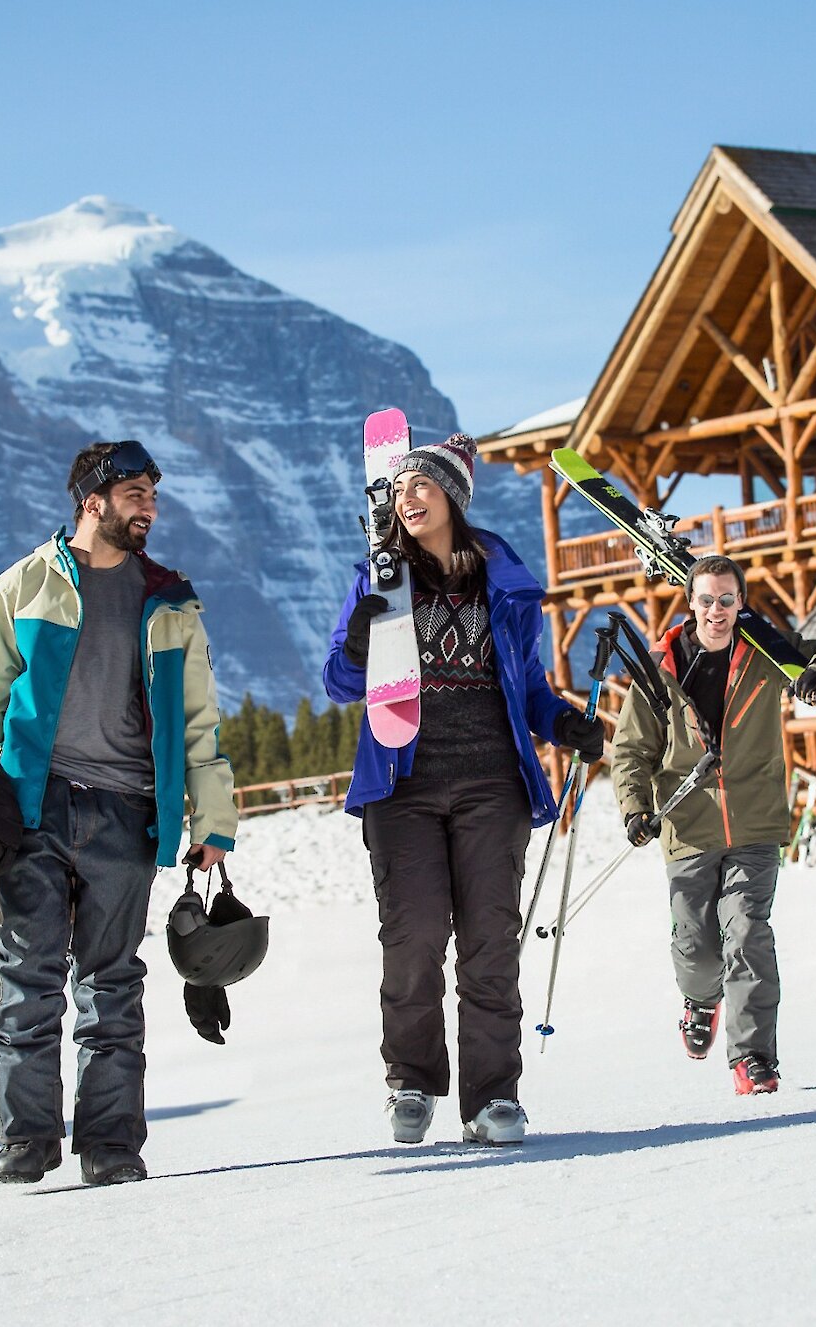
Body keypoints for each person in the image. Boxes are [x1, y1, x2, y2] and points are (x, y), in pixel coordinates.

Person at [0, 440, 238, 1186]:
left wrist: (211, 822)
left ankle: (112, 1145)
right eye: (136, 493)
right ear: (92, 500)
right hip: (33, 807)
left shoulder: (171, 597)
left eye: (153, 494)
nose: (149, 506)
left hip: (128, 810)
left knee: (112, 982)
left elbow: (200, 719)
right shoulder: (25, 585)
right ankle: (26, 1140)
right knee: (28, 976)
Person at [324, 433, 602, 1146]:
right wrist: (360, 634)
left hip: (491, 783)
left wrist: (564, 723)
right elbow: (338, 680)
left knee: (489, 943)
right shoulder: (380, 577)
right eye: (401, 488)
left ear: (453, 497)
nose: (408, 497)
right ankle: (411, 1082)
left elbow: (530, 686)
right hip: (401, 783)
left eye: (423, 486)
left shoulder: (502, 583)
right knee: (413, 939)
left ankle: (493, 1097)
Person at [611, 554, 816, 1095]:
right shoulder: (661, 667)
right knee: (696, 949)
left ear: (740, 602)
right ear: (690, 602)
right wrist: (634, 808)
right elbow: (631, 750)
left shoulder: (767, 653)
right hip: (687, 826)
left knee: (747, 932)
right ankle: (700, 1002)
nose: (716, 610)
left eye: (727, 600)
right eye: (706, 600)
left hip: (755, 823)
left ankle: (753, 1058)